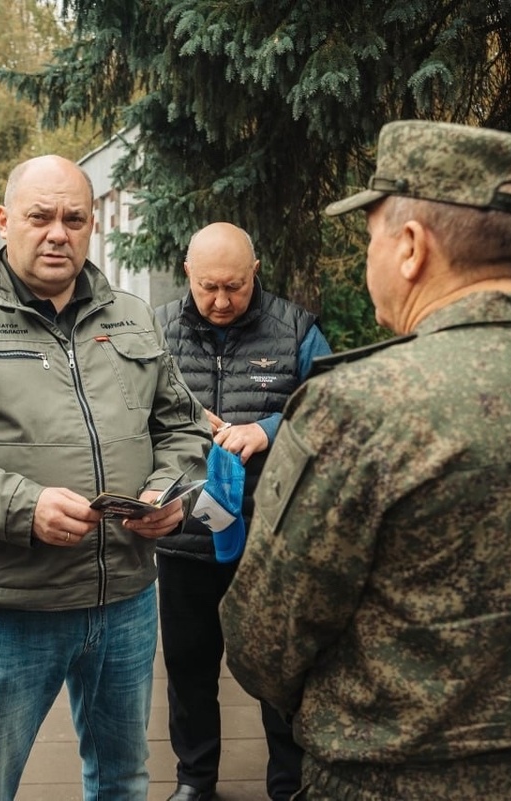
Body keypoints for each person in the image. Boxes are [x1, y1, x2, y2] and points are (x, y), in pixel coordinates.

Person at [219, 120, 511, 800]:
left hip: (385, 780)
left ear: (411, 247)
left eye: (370, 240)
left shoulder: (355, 406)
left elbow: (263, 641)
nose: (369, 262)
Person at [0, 154, 212, 800]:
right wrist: (23, 505)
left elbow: (185, 427)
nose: (59, 232)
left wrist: (175, 492)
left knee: (123, 779)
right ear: (4, 222)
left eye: (74, 218)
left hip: (127, 599)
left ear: (91, 228)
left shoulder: (133, 317)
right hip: (9, 607)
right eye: (40, 216)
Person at [153, 222, 331, 801]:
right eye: (208, 288)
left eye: (234, 286)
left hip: (271, 539)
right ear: (187, 274)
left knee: (279, 673)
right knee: (188, 670)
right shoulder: (155, 331)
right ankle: (194, 782)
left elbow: (333, 413)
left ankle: (289, 786)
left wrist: (268, 428)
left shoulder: (297, 329)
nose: (222, 301)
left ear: (255, 272)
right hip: (185, 535)